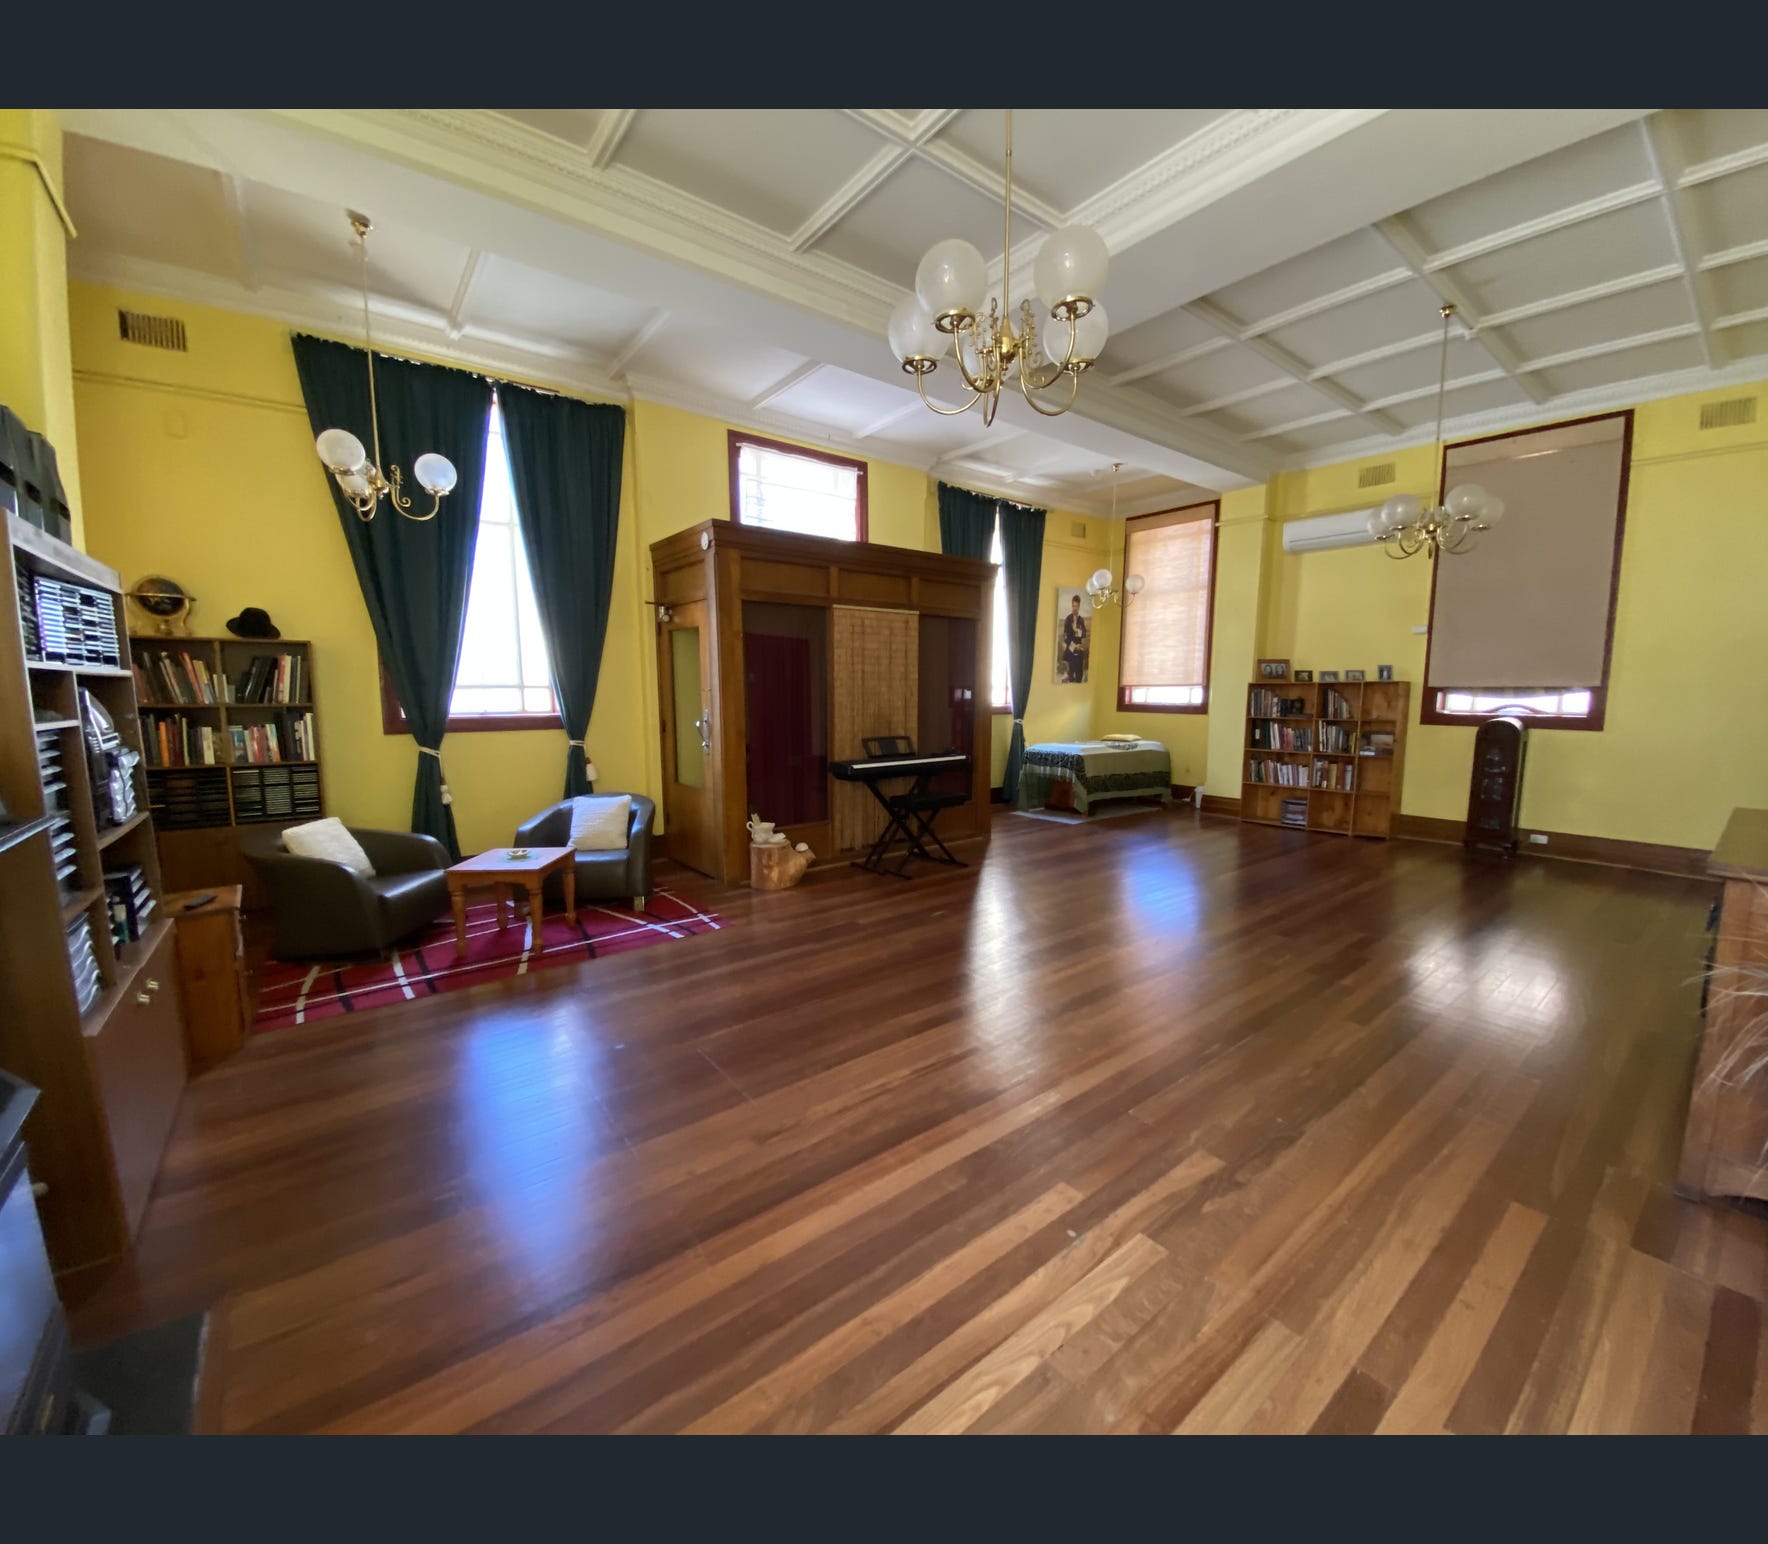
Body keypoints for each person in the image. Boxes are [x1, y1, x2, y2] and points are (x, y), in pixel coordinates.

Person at [1058, 594, 1090, 683]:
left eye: (1076, 606)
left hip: (1079, 654)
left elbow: (1084, 634)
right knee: (1071, 678)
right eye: (1073, 606)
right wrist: (1074, 646)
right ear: (1071, 606)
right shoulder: (1068, 620)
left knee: (1079, 677)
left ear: (1079, 606)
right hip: (1070, 653)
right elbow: (1066, 638)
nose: (1075, 608)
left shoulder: (1081, 620)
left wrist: (1076, 630)